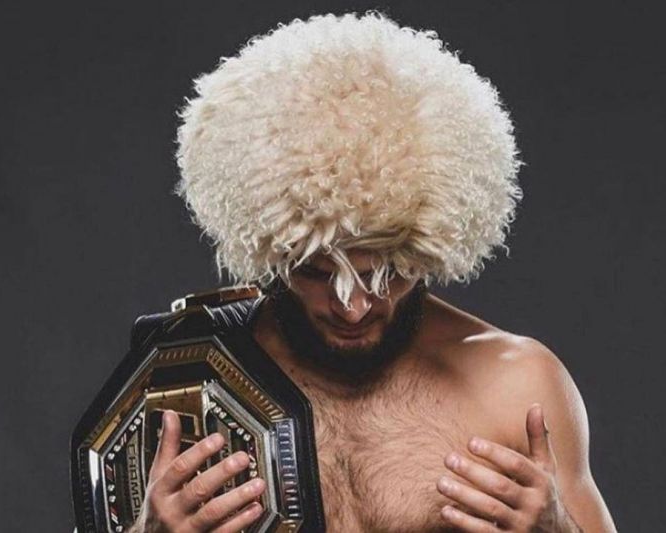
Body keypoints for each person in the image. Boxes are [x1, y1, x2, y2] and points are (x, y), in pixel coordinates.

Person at [130, 11, 618, 533]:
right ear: (274, 250)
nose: (353, 307)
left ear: (427, 250)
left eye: (388, 275)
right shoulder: (190, 380)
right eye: (318, 273)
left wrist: (557, 529)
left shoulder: (513, 384)